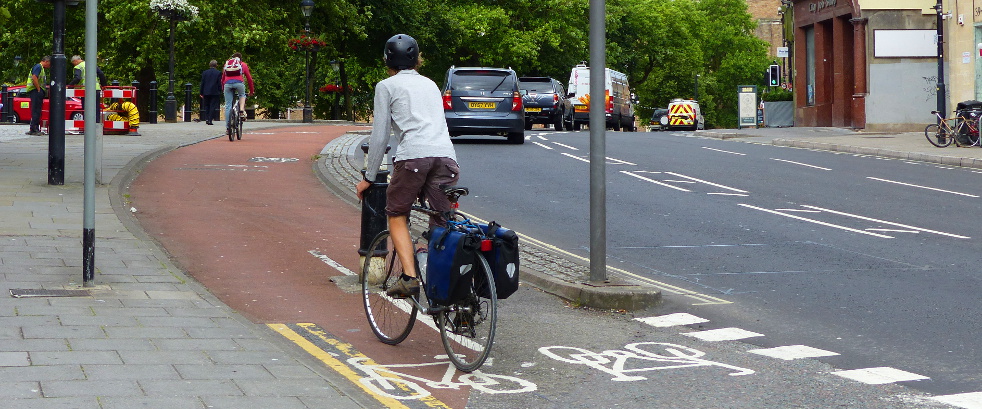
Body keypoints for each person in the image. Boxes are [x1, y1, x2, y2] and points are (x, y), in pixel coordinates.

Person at [355, 34, 459, 299]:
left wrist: (369, 176)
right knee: (442, 222)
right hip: (446, 158)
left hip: (413, 158)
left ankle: (409, 278)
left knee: (396, 214)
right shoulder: (431, 84)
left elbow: (380, 135)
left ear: (387, 60)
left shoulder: (386, 86)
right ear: (417, 59)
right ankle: (450, 292)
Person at [220, 52, 255, 128]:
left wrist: (223, 88)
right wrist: (251, 91)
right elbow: (249, 79)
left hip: (227, 84)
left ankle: (228, 127)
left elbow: (222, 79)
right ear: (240, 58)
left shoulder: (227, 64)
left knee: (228, 105)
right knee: (242, 95)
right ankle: (241, 110)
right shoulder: (243, 64)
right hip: (239, 83)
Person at [25, 55, 51, 136]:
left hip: (35, 91)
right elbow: (34, 77)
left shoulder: (39, 67)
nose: (49, 66)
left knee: (36, 110)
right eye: (50, 64)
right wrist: (39, 89)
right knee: (36, 110)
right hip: (35, 91)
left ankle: (33, 128)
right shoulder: (38, 67)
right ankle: (34, 129)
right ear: (46, 61)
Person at [199, 60, 222, 125]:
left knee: (206, 105)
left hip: (206, 91)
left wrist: (201, 92)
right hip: (215, 92)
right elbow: (219, 83)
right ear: (216, 65)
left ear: (209, 65)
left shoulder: (205, 73)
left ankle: (206, 118)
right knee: (212, 106)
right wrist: (220, 90)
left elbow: (202, 83)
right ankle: (210, 119)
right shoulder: (218, 73)